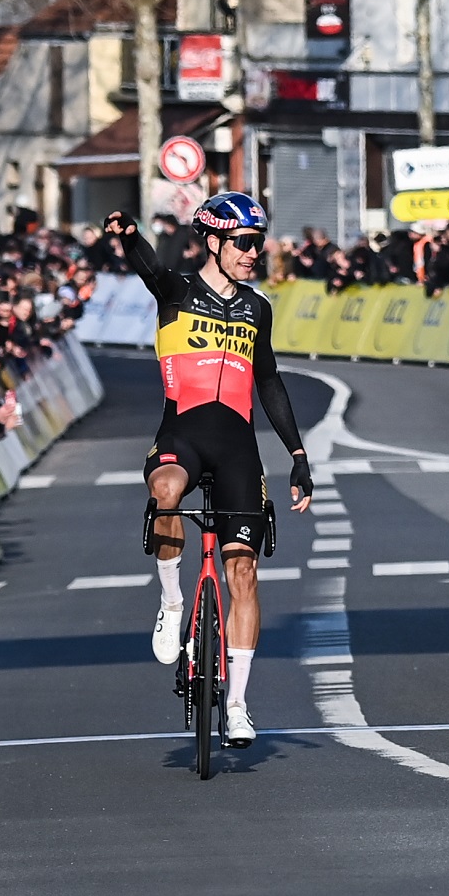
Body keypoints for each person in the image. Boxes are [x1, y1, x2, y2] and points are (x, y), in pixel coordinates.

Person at [105, 196, 313, 749]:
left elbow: (268, 383)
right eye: (244, 242)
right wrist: (127, 235)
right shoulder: (176, 290)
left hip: (238, 448)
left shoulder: (257, 308)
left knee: (242, 573)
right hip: (183, 435)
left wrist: (297, 457)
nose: (253, 253)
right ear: (214, 243)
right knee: (167, 489)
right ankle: (173, 603)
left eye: (258, 243)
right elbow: (148, 265)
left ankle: (239, 705)